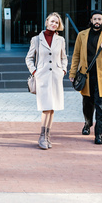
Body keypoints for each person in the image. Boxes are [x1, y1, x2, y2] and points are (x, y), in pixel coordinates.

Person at [69, 10, 102, 145]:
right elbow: (76, 55)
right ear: (91, 20)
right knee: (87, 105)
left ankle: (99, 134)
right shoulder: (82, 35)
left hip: (101, 76)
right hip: (86, 76)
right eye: (94, 19)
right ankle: (87, 123)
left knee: (101, 106)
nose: (97, 21)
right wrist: (72, 73)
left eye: (99, 19)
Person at [25, 12, 68, 150]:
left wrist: (63, 71)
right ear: (47, 22)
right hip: (42, 77)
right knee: (45, 108)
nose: (54, 24)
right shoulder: (36, 39)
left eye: (56, 22)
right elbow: (29, 58)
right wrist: (35, 72)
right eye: (52, 21)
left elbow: (64, 58)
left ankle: (48, 135)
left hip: (56, 77)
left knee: (52, 107)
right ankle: (42, 136)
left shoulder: (60, 40)